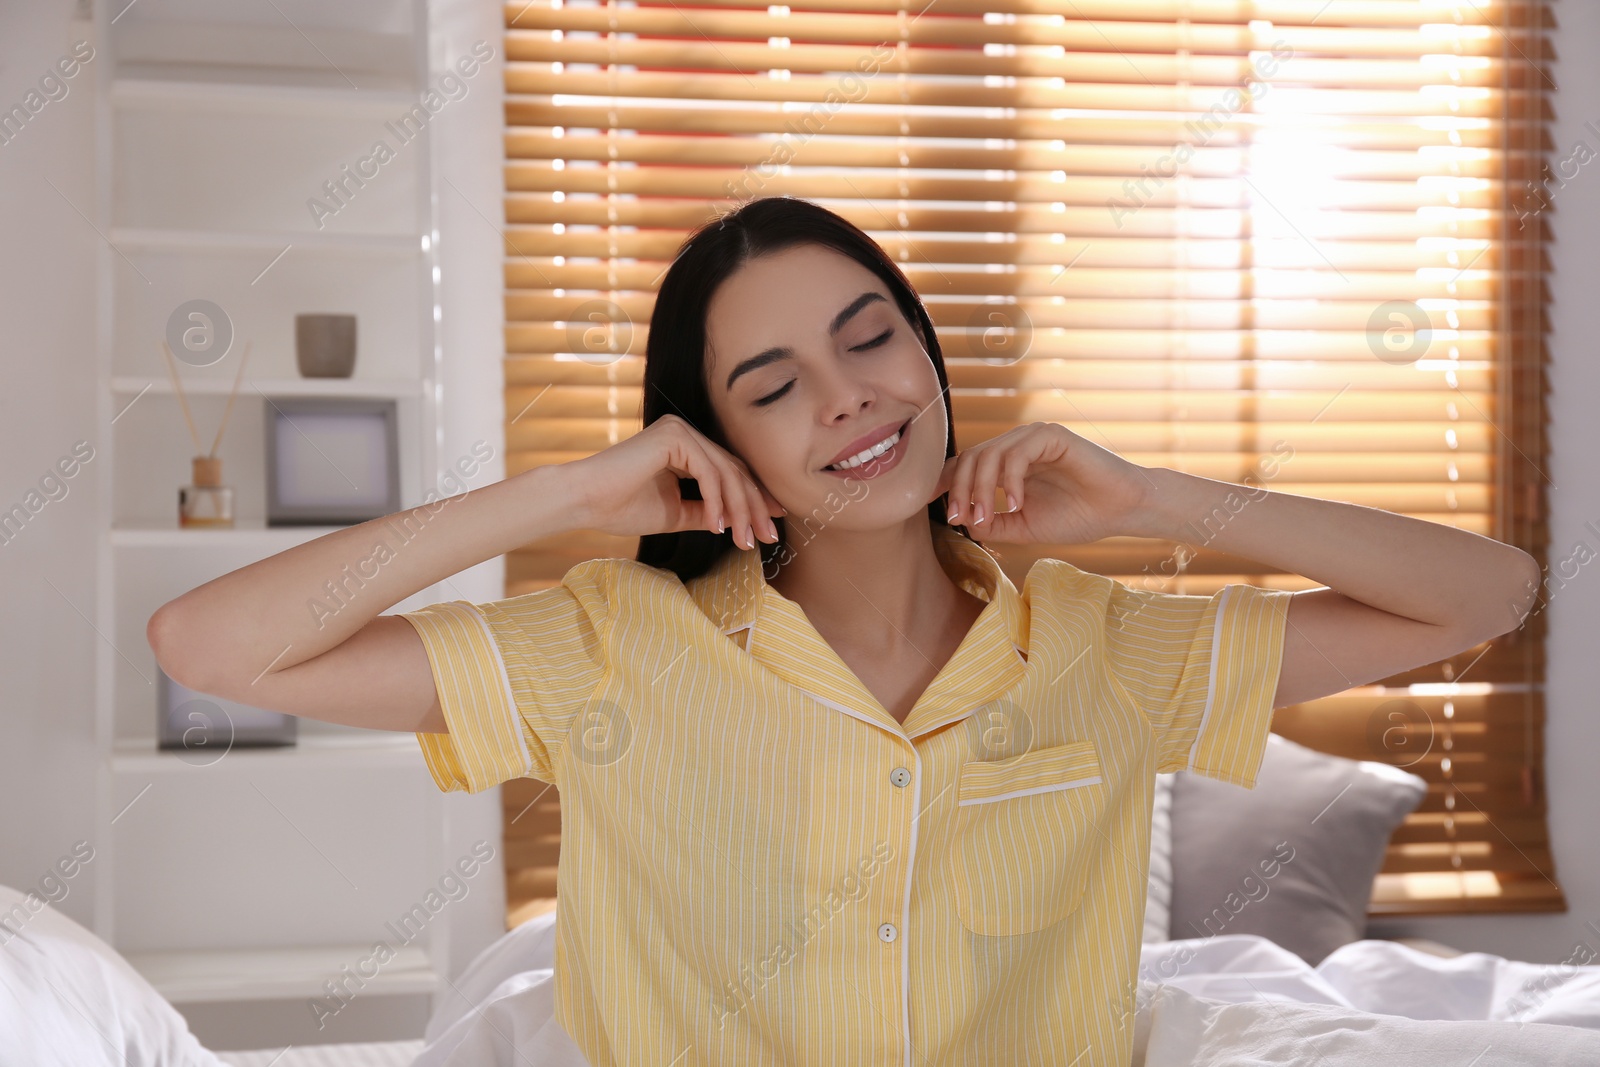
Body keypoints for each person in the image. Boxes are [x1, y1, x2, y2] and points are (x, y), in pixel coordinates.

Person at [149, 195, 1540, 1066]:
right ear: (715, 435)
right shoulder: (610, 647)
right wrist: (566, 490)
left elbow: (1486, 595)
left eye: (870, 339)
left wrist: (1153, 498)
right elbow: (210, 646)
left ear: (926, 351)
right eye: (774, 382)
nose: (850, 399)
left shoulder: (1108, 646)